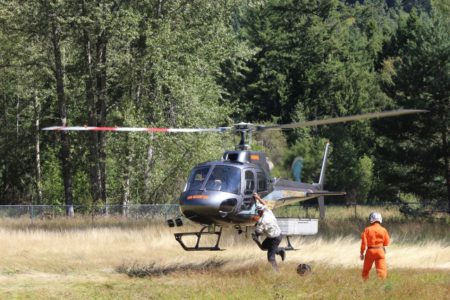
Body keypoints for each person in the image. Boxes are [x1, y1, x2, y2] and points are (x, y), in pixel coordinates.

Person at [252, 192, 285, 271]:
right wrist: (257, 198)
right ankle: (280, 250)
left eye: (257, 212)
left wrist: (255, 237)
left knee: (270, 258)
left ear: (260, 212)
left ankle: (277, 272)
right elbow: (264, 204)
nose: (257, 213)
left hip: (275, 238)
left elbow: (257, 232)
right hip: (277, 235)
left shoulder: (262, 221)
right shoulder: (267, 211)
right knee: (263, 247)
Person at [360, 212, 390, 280]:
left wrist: (362, 253)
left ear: (371, 219)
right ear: (380, 219)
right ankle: (381, 284)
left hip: (370, 251)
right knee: (381, 270)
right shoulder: (383, 230)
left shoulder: (367, 229)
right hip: (380, 251)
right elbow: (387, 242)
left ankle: (365, 282)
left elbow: (364, 243)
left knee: (366, 270)